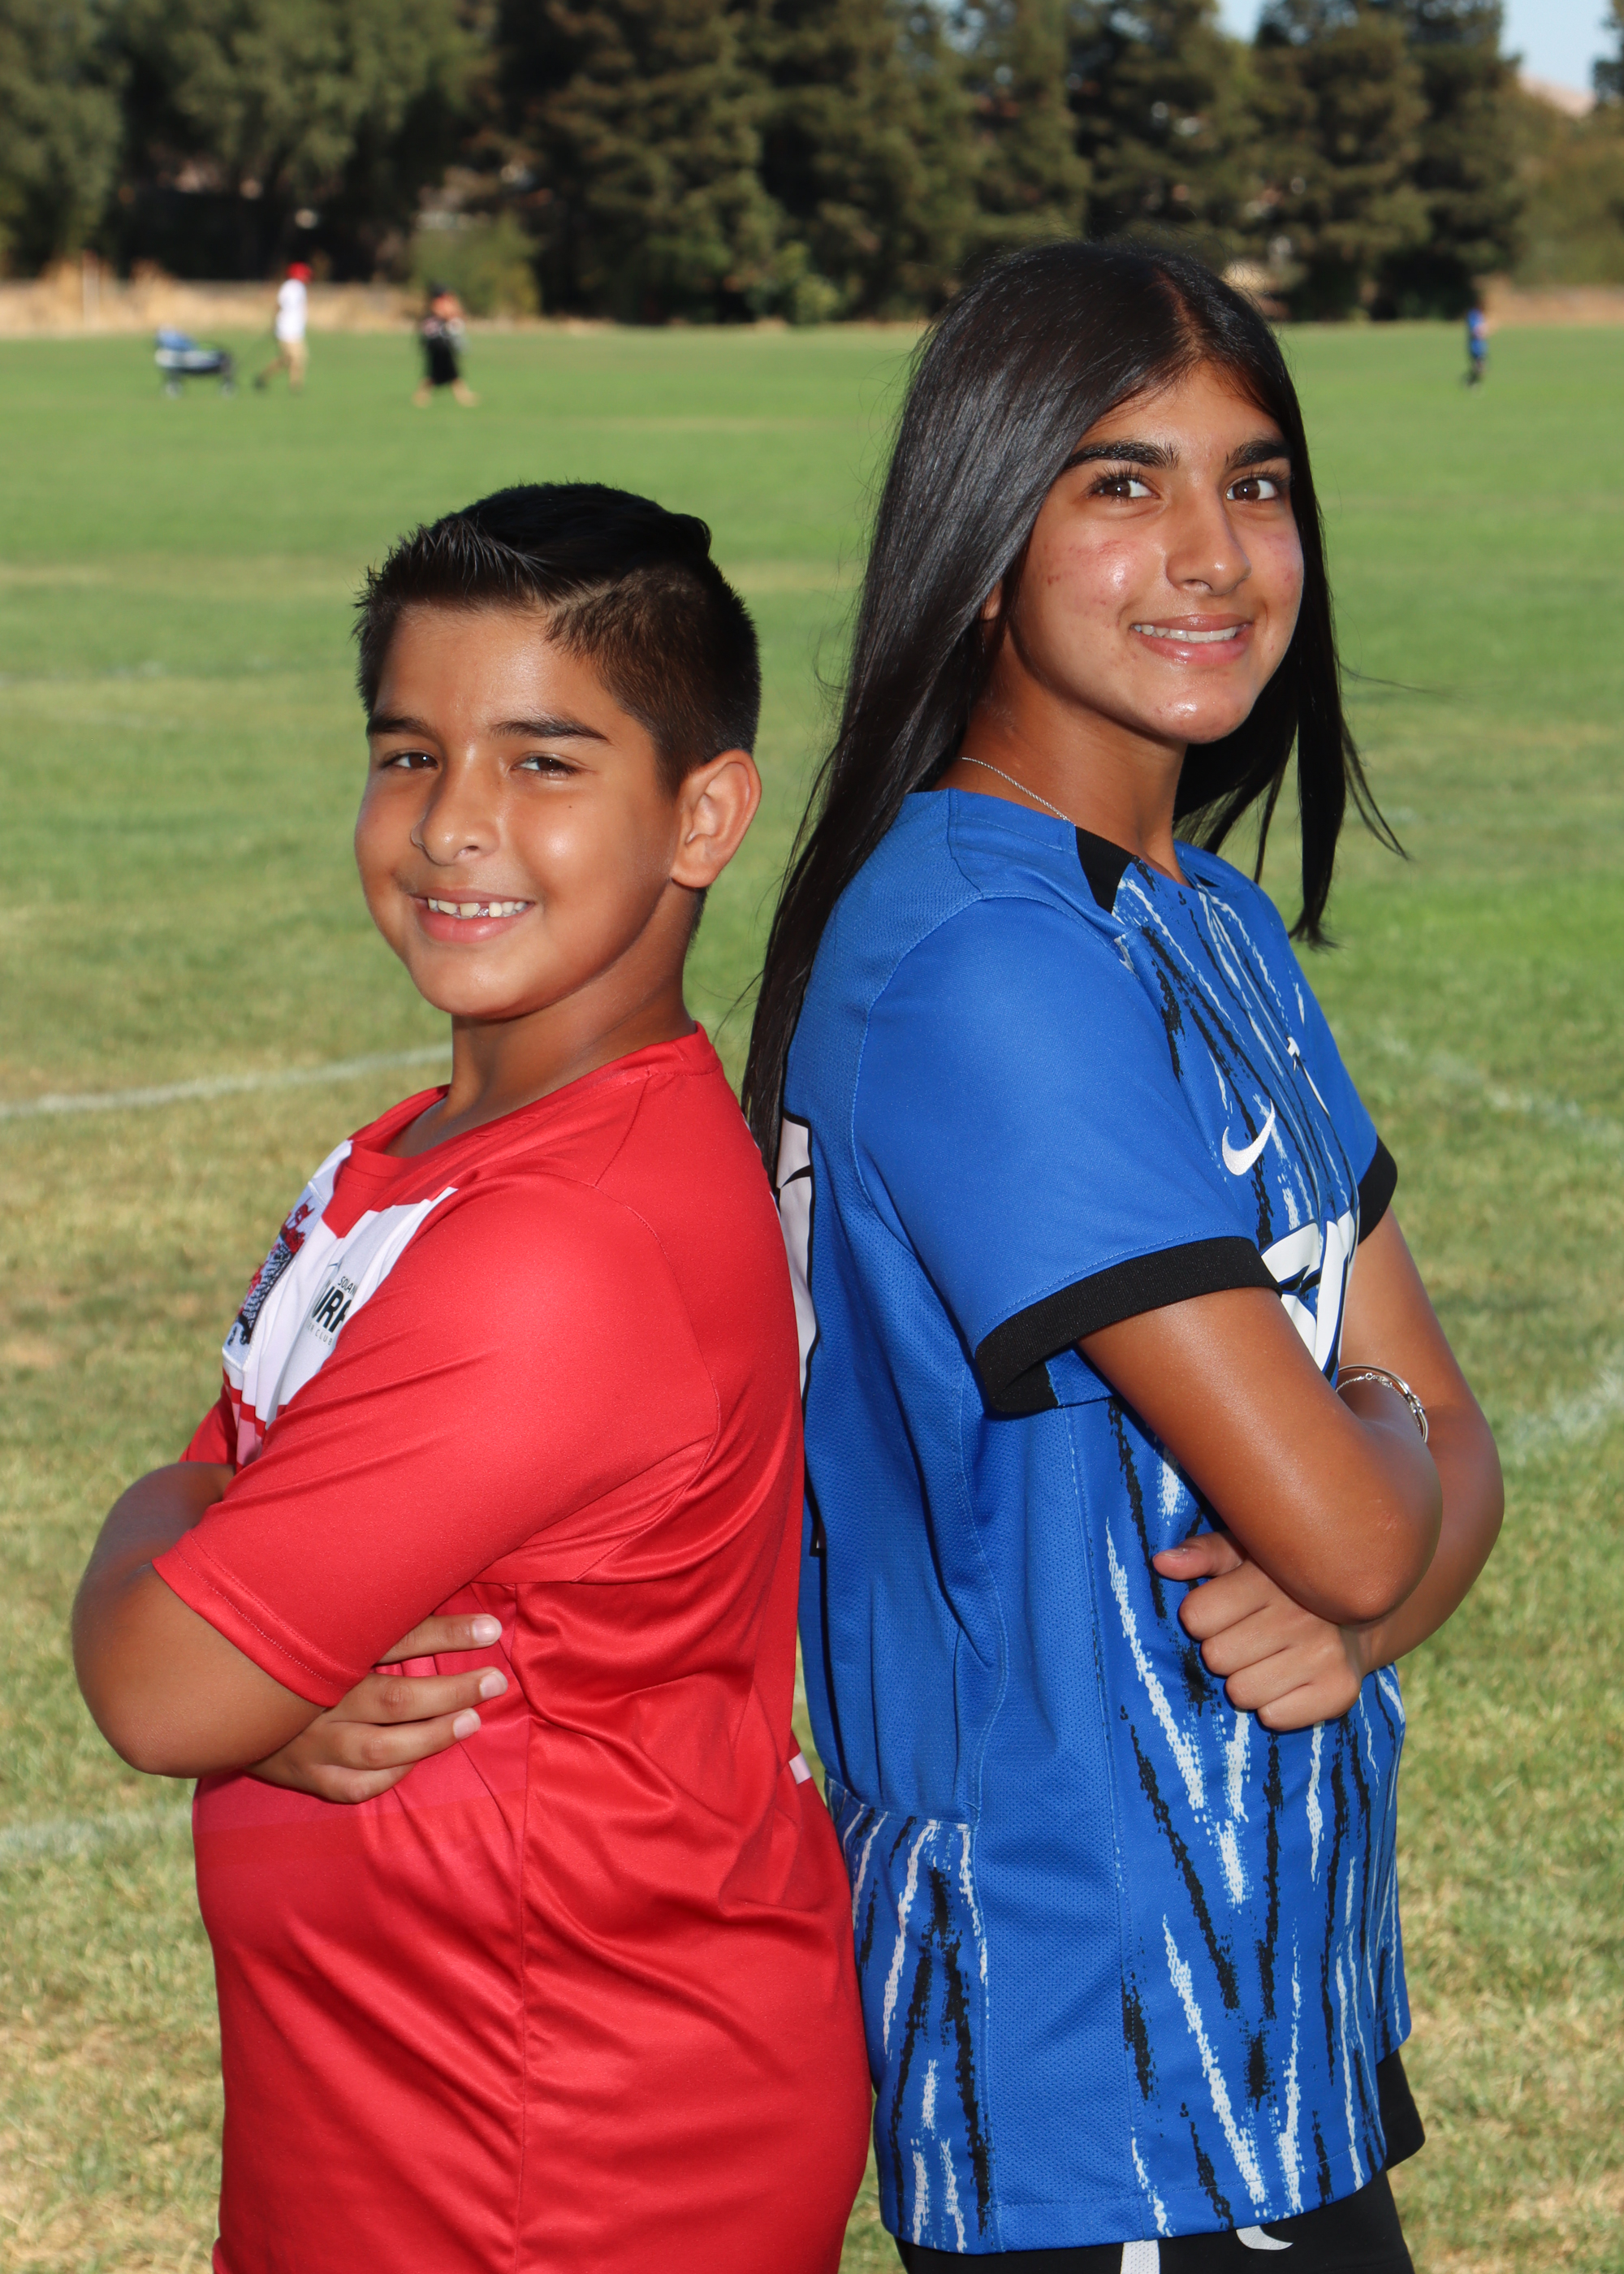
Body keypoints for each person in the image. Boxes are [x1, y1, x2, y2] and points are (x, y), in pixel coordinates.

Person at [742, 244, 1504, 2270]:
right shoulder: (983, 958)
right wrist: (1375, 1489)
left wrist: (1366, 1579)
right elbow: (1369, 1500)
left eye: (1255, 483)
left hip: (1265, 2022)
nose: (1211, 554)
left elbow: (1434, 1465)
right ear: (983, 540)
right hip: (1092, 2045)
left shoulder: (1198, 919)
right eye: (1117, 483)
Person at [72, 483, 872, 2274]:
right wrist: (217, 1590)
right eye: (408, 754)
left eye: (544, 761)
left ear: (704, 813)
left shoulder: (565, 1241)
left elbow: (161, 1676)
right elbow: (221, 1527)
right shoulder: (421, 1154)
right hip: (405, 2089)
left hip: (558, 2141)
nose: (453, 824)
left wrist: (177, 1572)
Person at [416, 282, 478, 408]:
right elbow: (450, 315)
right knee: (445, 371)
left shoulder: (431, 305)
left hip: (438, 343)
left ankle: (422, 397)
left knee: (441, 371)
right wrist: (454, 307)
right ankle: (462, 397)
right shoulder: (438, 304)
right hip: (439, 343)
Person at [254, 261, 310, 391]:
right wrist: (274, 322)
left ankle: (263, 378)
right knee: (298, 358)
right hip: (286, 329)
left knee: (286, 360)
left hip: (296, 330)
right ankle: (295, 387)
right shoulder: (289, 287)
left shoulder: (300, 288)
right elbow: (279, 305)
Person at [1465, 300, 1490, 387]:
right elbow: (1474, 330)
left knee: (1480, 368)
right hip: (1475, 347)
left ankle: (1471, 382)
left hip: (1481, 346)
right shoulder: (1473, 315)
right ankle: (1471, 382)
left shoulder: (1480, 315)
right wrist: (1483, 330)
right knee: (1480, 368)